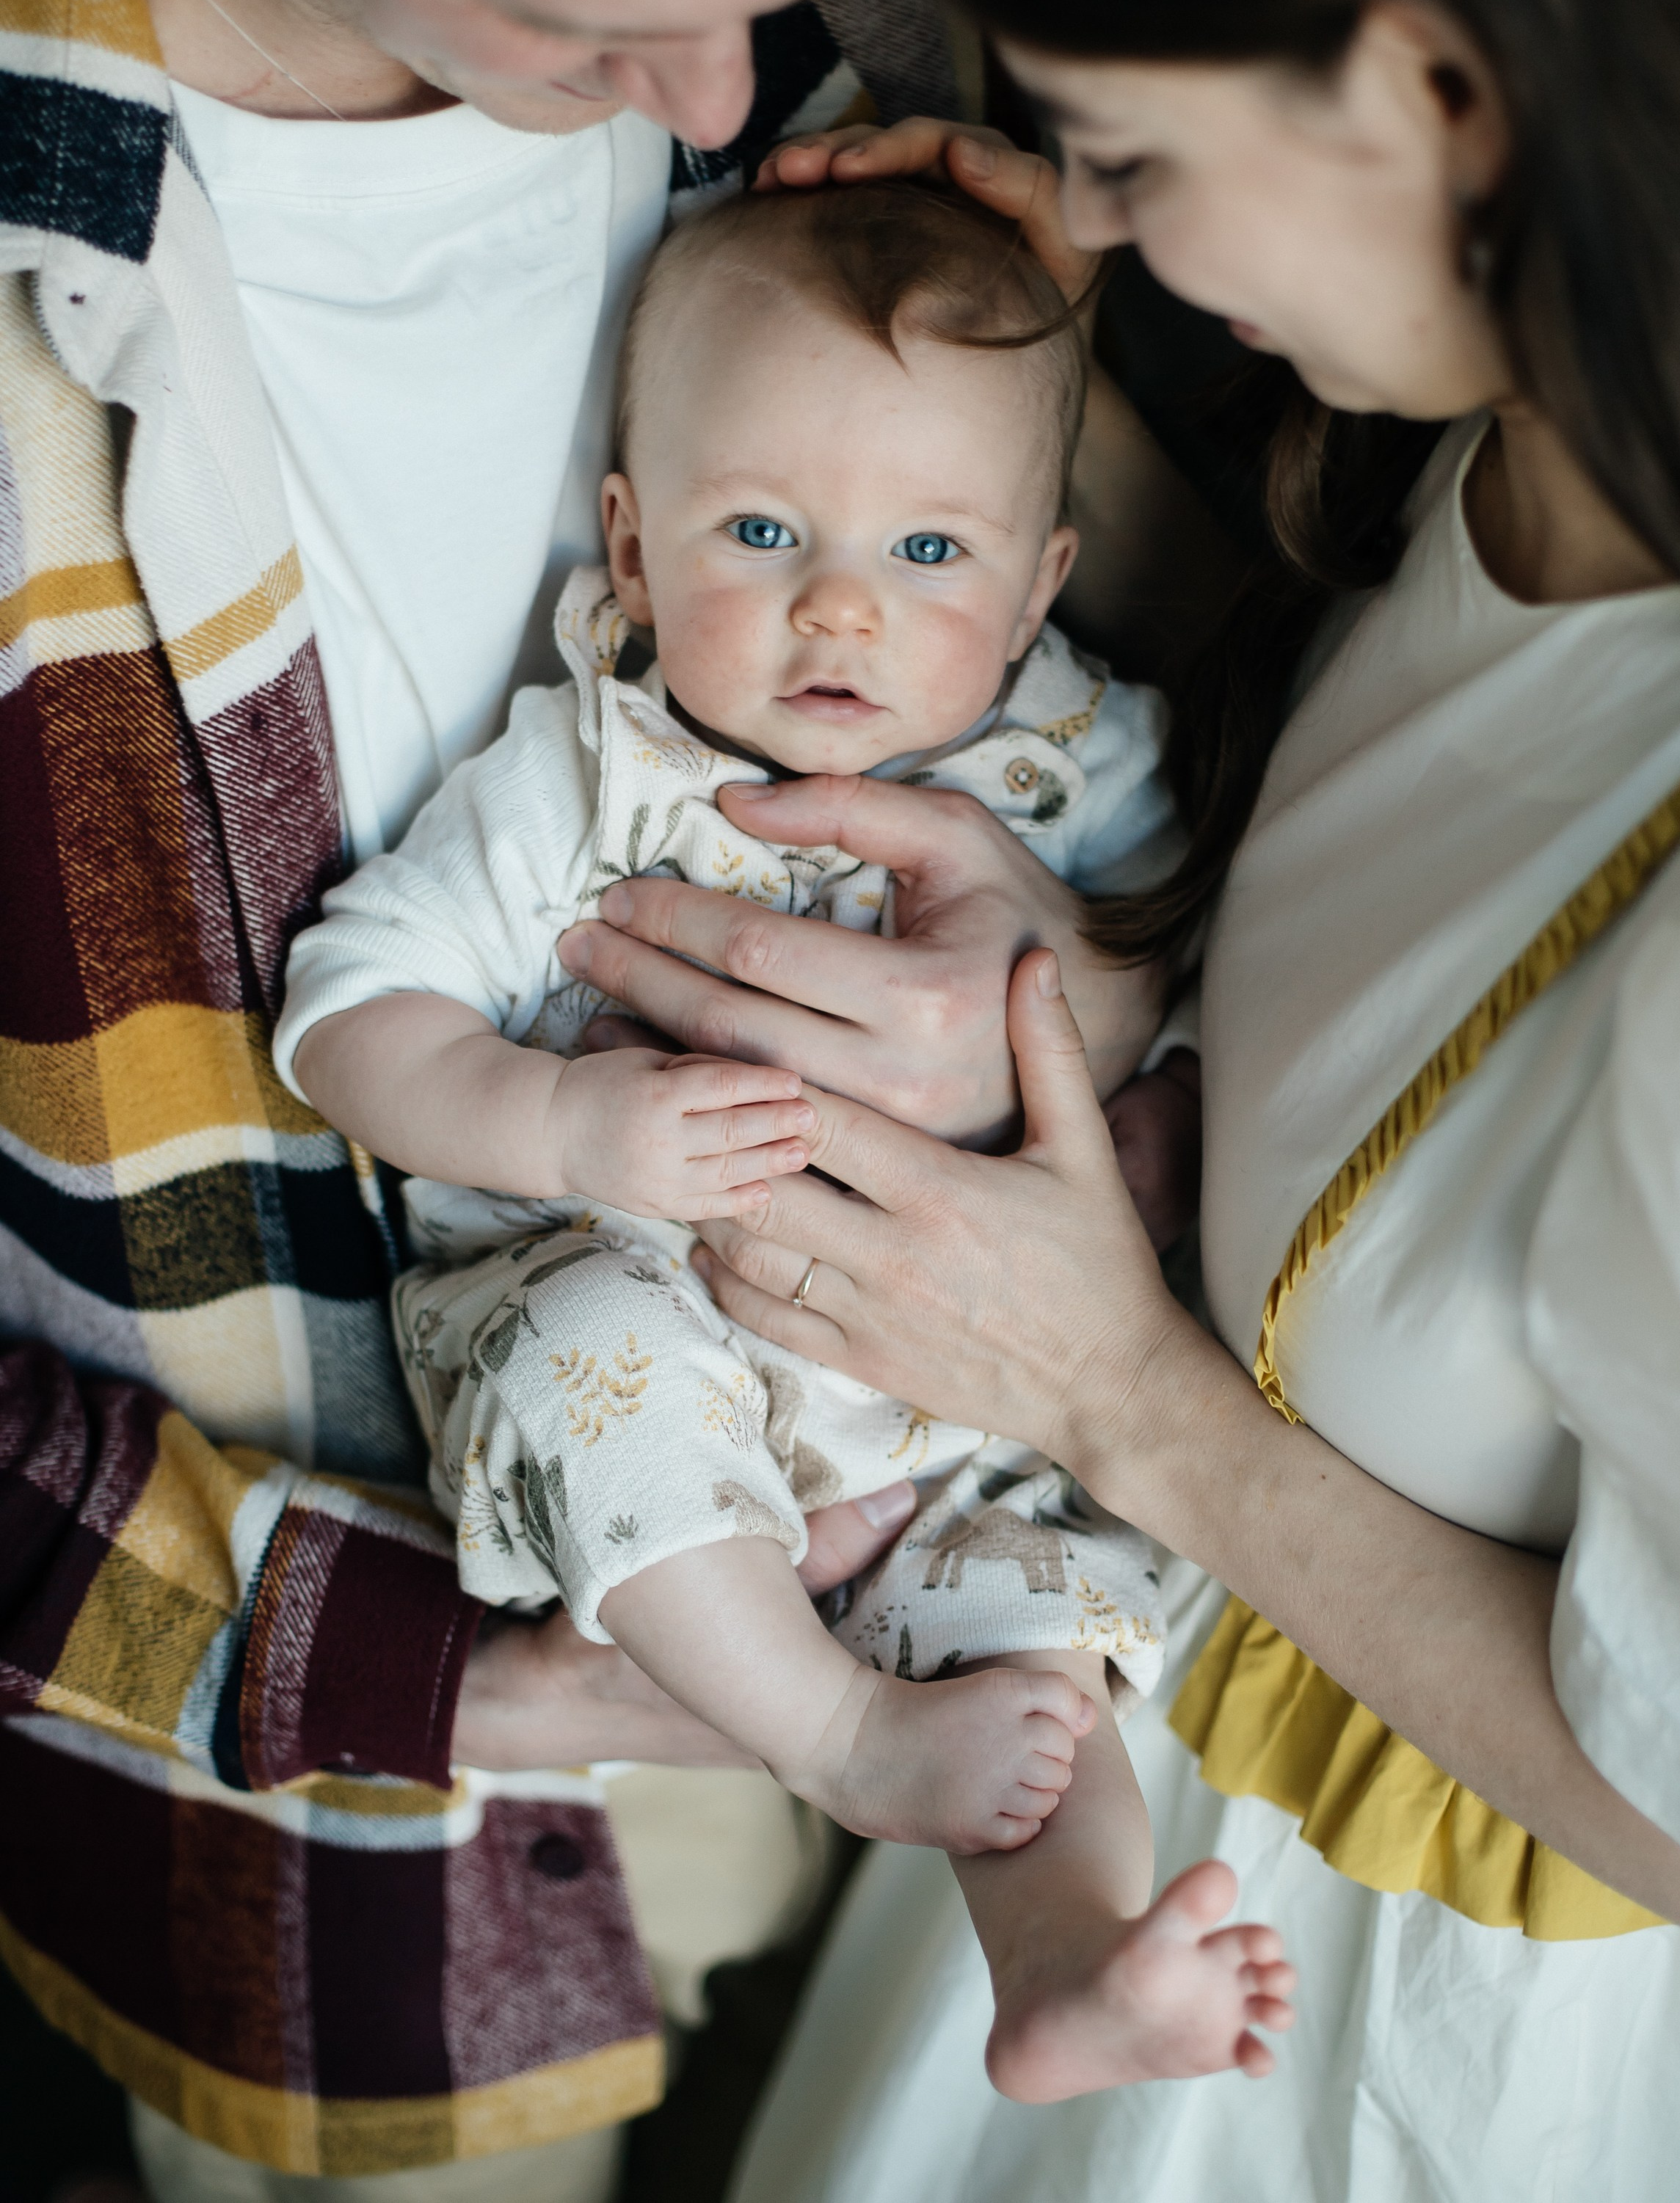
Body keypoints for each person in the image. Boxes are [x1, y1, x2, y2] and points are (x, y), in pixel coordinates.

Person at [0, 0, 1200, 2192]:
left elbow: (1231, 808)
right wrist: (482, 1684)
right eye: (587, 9)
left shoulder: (850, 82)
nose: (721, 98)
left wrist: (1058, 997)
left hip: (910, 1598)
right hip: (351, 1816)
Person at [526, 0, 1680, 2192]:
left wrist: (1109, 1388)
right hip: (1112, 1759)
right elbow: (1400, 895)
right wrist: (992, 503)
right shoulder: (1509, 435)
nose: (1079, 216)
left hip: (1403, 2032)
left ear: (1434, 80)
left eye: (1121, 148)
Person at [273, 175, 1291, 2097]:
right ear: (636, 551)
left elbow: (1225, 952)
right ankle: (828, 1729)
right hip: (650, 1330)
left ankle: (1072, 1964)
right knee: (598, 1361)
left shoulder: (1077, 758)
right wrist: (568, 1114)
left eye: (928, 545)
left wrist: (1149, 1105)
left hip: (965, 1395)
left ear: (1041, 581)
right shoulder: (594, 770)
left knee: (1034, 1656)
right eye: (763, 532)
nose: (844, 604)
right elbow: (349, 1015)